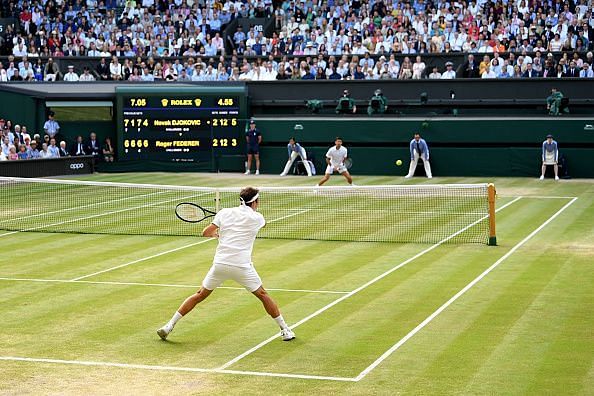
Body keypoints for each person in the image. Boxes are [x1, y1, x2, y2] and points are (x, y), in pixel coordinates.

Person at [157, 187, 295, 342]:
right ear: (255, 201)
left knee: (199, 294)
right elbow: (261, 225)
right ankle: (286, 330)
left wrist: (218, 233)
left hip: (220, 265)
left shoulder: (224, 212)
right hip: (241, 267)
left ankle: (168, 326)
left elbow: (206, 232)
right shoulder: (258, 218)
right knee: (263, 295)